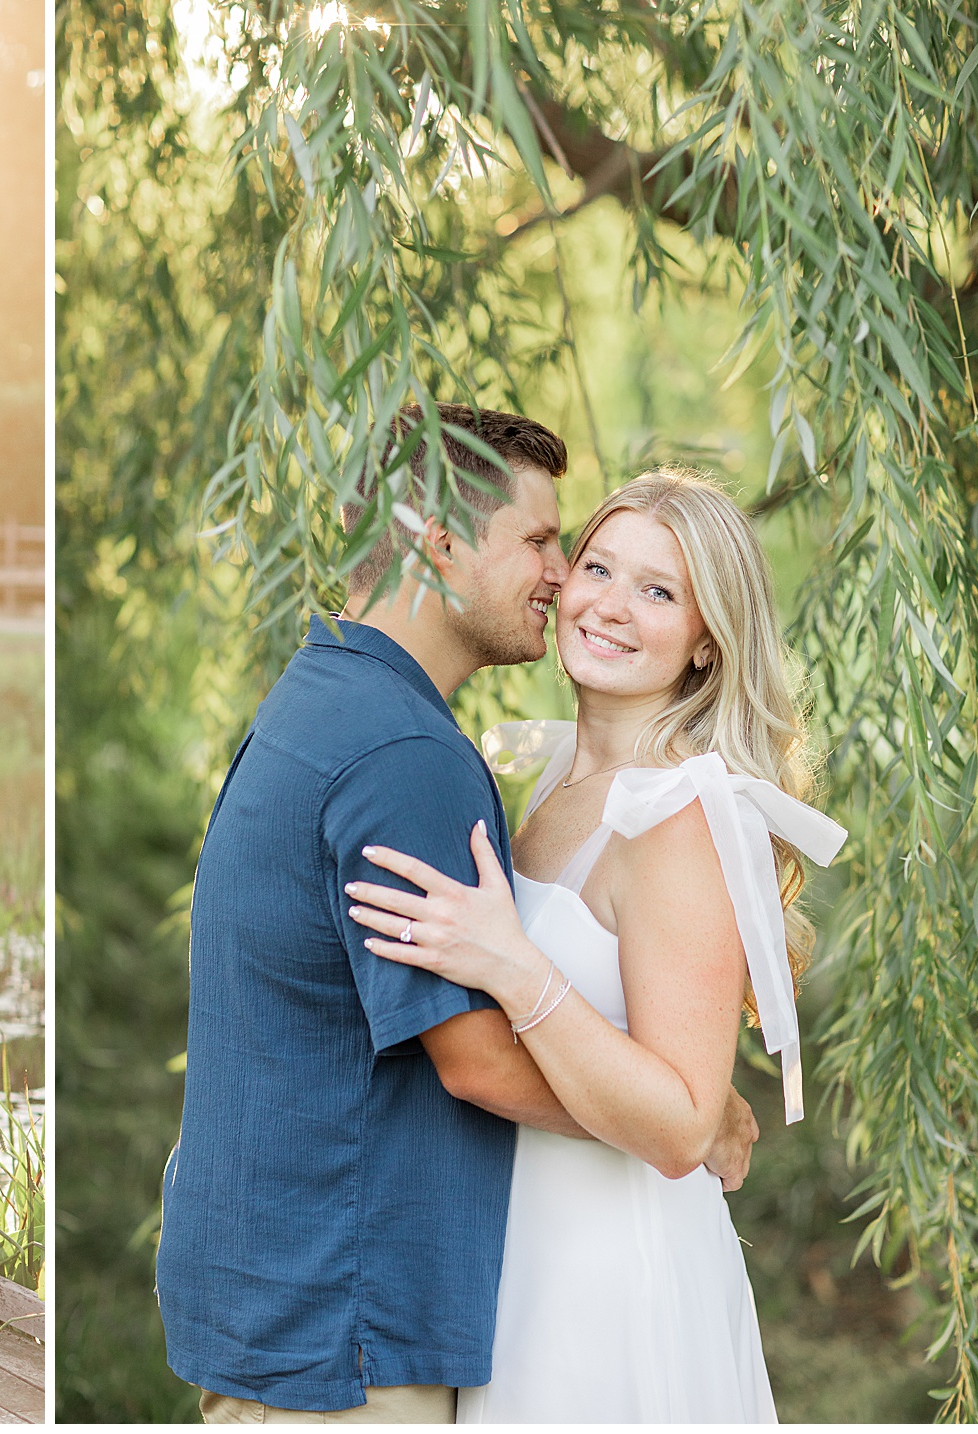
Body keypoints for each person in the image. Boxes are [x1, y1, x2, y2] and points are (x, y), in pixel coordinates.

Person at [155, 406, 761, 1424]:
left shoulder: (328, 700)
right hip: (341, 1330)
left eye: (650, 587)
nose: (564, 578)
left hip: (381, 1305)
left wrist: (684, 1106)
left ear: (707, 642)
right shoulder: (412, 757)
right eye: (540, 541)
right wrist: (684, 1121)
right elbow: (474, 1059)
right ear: (437, 541)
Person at [348, 468, 844, 1421]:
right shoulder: (552, 781)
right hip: (524, 1245)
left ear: (707, 644)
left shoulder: (677, 815)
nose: (612, 606)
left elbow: (678, 1124)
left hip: (611, 1275)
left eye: (659, 591)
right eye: (598, 567)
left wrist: (511, 963)